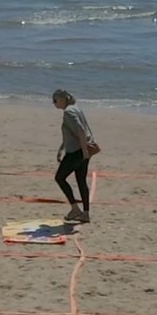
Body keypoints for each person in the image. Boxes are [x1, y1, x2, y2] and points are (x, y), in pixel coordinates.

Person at [52, 89, 95, 223]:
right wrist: (61, 148)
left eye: (55, 100)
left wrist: (83, 152)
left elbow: (80, 130)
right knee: (81, 180)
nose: (54, 103)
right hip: (83, 149)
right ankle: (86, 213)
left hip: (77, 151)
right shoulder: (76, 109)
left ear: (63, 99)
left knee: (60, 178)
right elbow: (72, 132)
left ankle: (75, 208)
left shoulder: (68, 112)